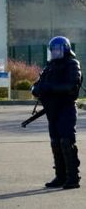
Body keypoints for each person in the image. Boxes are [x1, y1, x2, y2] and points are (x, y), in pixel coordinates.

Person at [31, 36, 82, 189]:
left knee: (66, 141)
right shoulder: (49, 67)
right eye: (52, 50)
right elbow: (36, 86)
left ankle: (73, 178)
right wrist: (37, 90)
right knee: (55, 142)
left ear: (65, 49)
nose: (54, 53)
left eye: (57, 50)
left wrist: (50, 88)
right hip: (52, 110)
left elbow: (72, 86)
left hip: (66, 108)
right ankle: (60, 177)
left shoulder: (72, 64)